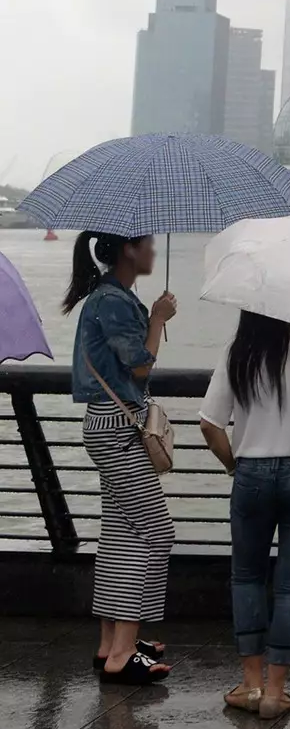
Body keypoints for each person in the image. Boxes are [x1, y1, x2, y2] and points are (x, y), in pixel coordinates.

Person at [199, 310, 290, 720]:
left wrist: (234, 467)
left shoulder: (239, 347)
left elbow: (209, 424)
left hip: (253, 472)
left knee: (246, 576)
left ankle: (251, 684)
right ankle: (277, 691)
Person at [65, 232, 176, 685]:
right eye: (146, 244)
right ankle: (123, 652)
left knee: (119, 533)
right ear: (128, 249)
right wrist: (158, 318)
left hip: (109, 423)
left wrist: (149, 315)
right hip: (117, 426)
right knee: (154, 532)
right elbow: (140, 365)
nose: (152, 251)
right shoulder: (112, 299)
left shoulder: (112, 295)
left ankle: (113, 643)